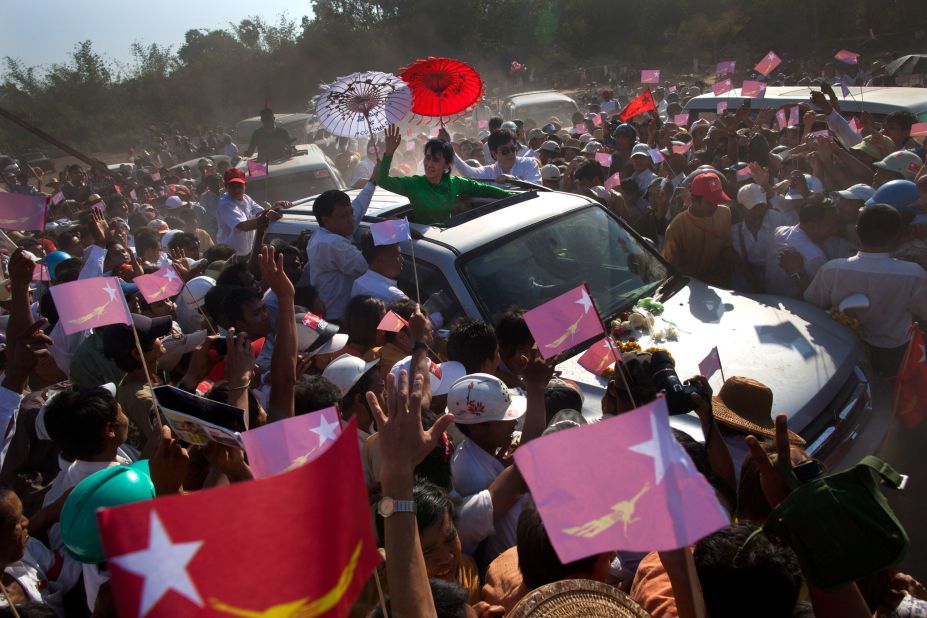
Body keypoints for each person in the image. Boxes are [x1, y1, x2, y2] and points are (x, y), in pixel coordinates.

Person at [804, 204, 927, 373]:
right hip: (896, 353)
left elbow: (812, 305)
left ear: (857, 230)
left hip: (845, 348)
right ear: (896, 236)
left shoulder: (832, 269)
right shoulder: (913, 274)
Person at [377, 126, 512, 224]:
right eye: (427, 158)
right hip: (427, 243)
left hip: (449, 238)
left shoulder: (454, 183)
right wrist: (388, 153)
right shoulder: (414, 184)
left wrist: (513, 197)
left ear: (447, 165)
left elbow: (482, 189)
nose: (429, 164)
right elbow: (382, 180)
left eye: (436, 160)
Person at [305, 183, 376, 321]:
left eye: (351, 213)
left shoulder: (330, 231)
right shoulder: (331, 244)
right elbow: (371, 266)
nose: (352, 220)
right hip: (338, 321)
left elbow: (359, 206)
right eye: (344, 216)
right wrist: (391, 229)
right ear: (326, 220)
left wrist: (373, 182)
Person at [662, 172, 737, 287]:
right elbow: (670, 269)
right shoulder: (676, 227)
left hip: (717, 284)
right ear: (693, 200)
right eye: (709, 203)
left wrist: (739, 265)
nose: (715, 206)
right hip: (688, 287)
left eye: (717, 201)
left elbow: (726, 247)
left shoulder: (724, 213)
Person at [766, 197, 839, 298]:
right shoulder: (815, 256)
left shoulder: (780, 231)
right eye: (830, 225)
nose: (835, 230)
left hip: (769, 300)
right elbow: (820, 299)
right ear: (811, 226)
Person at [216, 168, 281, 257]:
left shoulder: (246, 198)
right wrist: (268, 217)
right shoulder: (226, 204)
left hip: (247, 253)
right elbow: (242, 226)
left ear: (245, 185)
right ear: (225, 186)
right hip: (230, 257)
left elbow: (261, 213)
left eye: (239, 185)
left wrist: (276, 206)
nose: (236, 189)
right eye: (232, 186)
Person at [451, 129, 542, 184]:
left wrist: (513, 179)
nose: (510, 153)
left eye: (513, 149)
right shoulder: (488, 172)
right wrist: (450, 149)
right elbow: (468, 173)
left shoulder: (529, 163)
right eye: (505, 151)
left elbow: (536, 185)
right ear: (494, 154)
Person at [351, 231, 405, 304]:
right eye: (397, 255)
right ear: (380, 258)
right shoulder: (395, 297)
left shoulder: (358, 283)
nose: (402, 259)